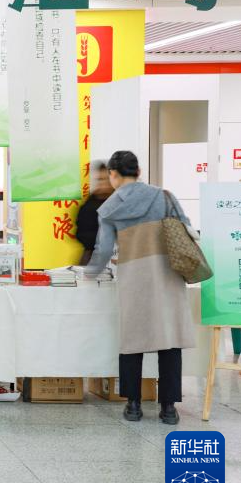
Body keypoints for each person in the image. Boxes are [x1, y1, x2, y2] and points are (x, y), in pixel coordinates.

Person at [85, 150, 196, 425]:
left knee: (131, 342)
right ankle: (168, 408)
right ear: (139, 171)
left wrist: (88, 274)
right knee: (169, 340)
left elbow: (103, 251)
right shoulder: (165, 197)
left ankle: (133, 405)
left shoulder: (109, 208)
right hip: (167, 276)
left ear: (113, 174)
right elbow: (188, 229)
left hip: (134, 278)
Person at [76, 162, 112, 265]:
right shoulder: (89, 205)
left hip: (117, 257)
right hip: (92, 256)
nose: (104, 183)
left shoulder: (120, 202)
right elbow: (81, 234)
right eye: (101, 179)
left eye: (107, 179)